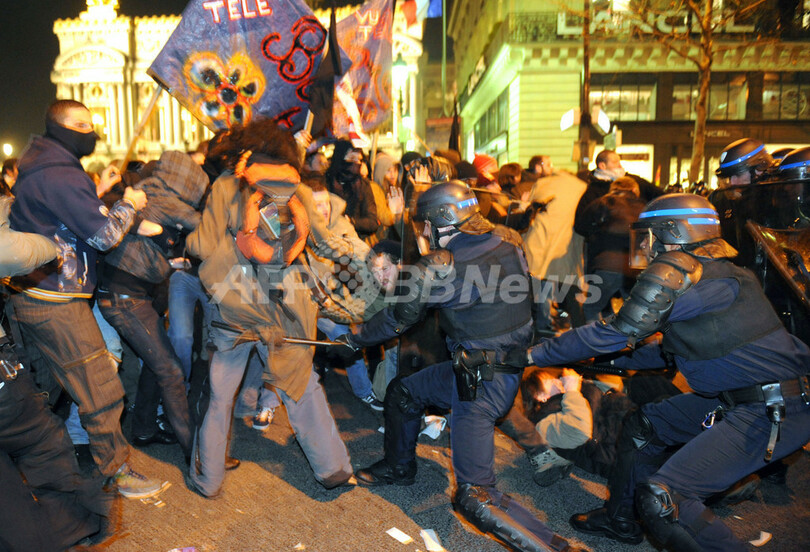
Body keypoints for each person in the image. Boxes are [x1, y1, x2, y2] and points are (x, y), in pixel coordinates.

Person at [507, 193, 810, 551]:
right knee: (643, 426)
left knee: (664, 498)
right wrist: (592, 361)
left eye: (648, 236)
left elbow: (613, 331)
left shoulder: (694, 280)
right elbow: (665, 352)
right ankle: (620, 518)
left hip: (771, 408)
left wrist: (532, 354)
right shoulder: (714, 277)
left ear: (672, 234)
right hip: (744, 397)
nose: (644, 247)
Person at [338, 181, 583, 552]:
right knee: (404, 393)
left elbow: (398, 319)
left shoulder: (447, 266)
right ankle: (400, 467)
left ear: (441, 221)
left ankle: (558, 549)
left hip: (481, 384)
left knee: (475, 496)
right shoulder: (506, 241)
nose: (423, 233)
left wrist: (355, 338)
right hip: (484, 367)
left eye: (425, 225)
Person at [185, 120, 358, 497]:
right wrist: (362, 259)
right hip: (286, 309)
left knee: (220, 397)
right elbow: (324, 243)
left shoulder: (227, 185)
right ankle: (333, 469)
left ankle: (208, 479)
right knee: (303, 388)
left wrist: (192, 235)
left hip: (236, 309)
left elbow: (201, 246)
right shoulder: (300, 188)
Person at [8, 99, 165, 499]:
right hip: (56, 297)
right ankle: (118, 470)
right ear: (60, 127)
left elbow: (58, 218)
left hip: (31, 291)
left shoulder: (42, 166)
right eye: (81, 125)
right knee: (100, 385)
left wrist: (98, 192)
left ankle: (31, 469)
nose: (90, 132)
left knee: (42, 390)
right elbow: (104, 237)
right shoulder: (61, 174)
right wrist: (129, 204)